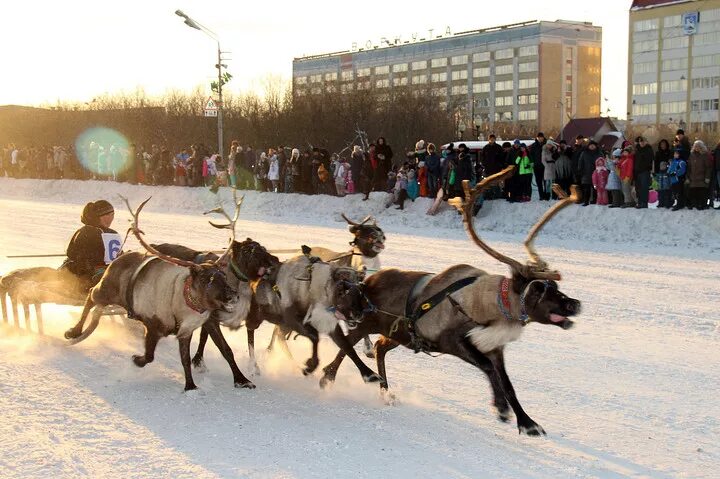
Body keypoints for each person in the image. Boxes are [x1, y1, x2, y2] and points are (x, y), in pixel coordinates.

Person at [60, 200, 121, 292]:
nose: (110, 218)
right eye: (106, 215)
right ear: (97, 217)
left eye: (112, 215)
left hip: (96, 275)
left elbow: (71, 253)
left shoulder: (88, 231)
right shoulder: (111, 233)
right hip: (104, 273)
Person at [685, 140, 712, 210]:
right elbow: (689, 167)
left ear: (701, 147)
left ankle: (702, 204)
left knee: (702, 193)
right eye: (695, 146)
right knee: (693, 193)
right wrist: (687, 177)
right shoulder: (691, 155)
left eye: (698, 146)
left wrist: (707, 177)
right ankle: (695, 204)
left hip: (702, 178)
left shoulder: (705, 155)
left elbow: (708, 167)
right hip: (693, 178)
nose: (696, 147)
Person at [633, 136, 654, 208]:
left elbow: (650, 160)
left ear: (646, 142)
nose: (641, 143)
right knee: (638, 188)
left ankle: (644, 203)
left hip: (645, 171)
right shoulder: (637, 150)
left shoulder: (649, 149)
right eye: (640, 141)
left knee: (644, 188)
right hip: (637, 172)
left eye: (643, 141)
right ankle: (639, 202)